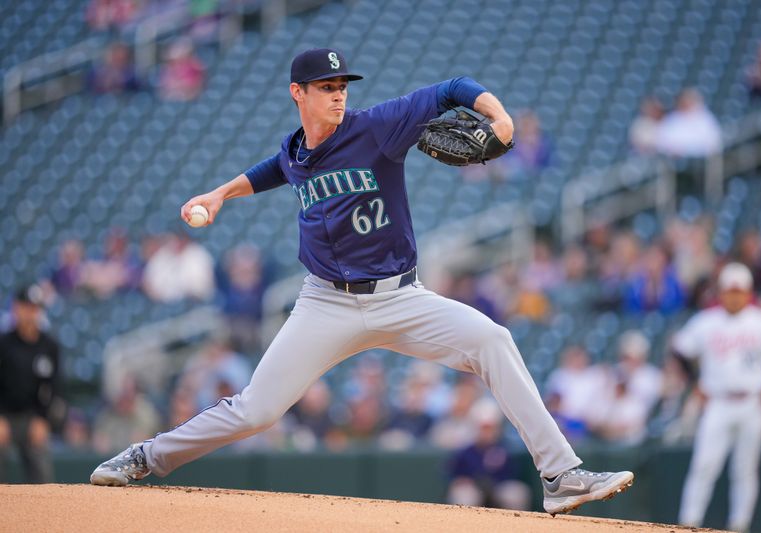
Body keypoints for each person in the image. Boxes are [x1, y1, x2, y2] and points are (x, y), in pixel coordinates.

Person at [89, 47, 633, 515]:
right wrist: (218, 195)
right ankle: (145, 457)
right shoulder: (297, 148)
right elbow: (275, 168)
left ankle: (561, 477)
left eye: (342, 85)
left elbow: (451, 89)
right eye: (326, 87)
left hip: (401, 298)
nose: (338, 95)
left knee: (493, 339)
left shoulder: (377, 127)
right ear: (297, 93)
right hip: (324, 303)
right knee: (257, 409)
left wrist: (500, 118)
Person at [673, 263, 761, 532]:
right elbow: (680, 350)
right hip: (717, 402)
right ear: (721, 292)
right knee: (704, 465)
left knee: (745, 470)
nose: (734, 296)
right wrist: (695, 383)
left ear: (748, 292)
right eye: (730, 291)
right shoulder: (706, 321)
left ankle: (739, 525)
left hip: (753, 403)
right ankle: (688, 524)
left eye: (739, 291)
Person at [0, 285, 64, 483]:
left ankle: (43, 510)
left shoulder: (49, 346)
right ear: (16, 308)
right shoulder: (3, 343)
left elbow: (55, 387)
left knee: (41, 467)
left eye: (34, 308)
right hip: (5, 416)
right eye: (26, 307)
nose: (30, 313)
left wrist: (43, 419)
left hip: (33, 416)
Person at [446, 399, 531, 510]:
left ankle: (514, 526)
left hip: (498, 487)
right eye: (483, 428)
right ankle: (465, 527)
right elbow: (451, 474)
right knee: (464, 496)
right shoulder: (465, 451)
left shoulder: (504, 448)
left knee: (516, 493)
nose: (486, 432)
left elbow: (513, 475)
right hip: (473, 488)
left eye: (490, 428)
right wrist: (462, 480)